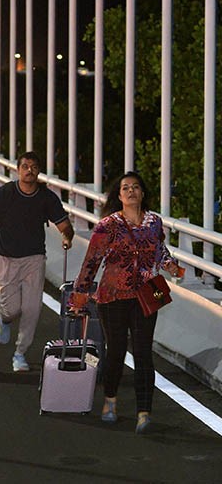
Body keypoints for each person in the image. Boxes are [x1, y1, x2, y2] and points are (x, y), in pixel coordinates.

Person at [69, 171, 184, 433]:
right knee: (116, 352)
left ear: (142, 193)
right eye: (125, 188)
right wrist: (80, 295)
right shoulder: (107, 225)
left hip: (147, 294)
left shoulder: (154, 222)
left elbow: (159, 249)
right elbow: (92, 261)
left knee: (144, 354)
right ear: (119, 196)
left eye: (135, 187)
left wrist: (170, 265)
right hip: (113, 297)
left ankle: (144, 413)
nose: (131, 191)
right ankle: (110, 401)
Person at [0, 151, 75, 372]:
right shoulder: (5, 194)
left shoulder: (46, 197)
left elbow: (65, 225)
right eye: (25, 166)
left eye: (34, 167)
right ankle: (5, 319)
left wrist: (66, 237)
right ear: (18, 170)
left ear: (39, 171)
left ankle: (20, 354)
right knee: (11, 309)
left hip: (34, 258)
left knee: (32, 309)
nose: (29, 170)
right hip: (5, 257)